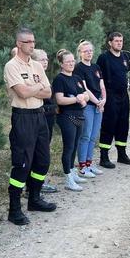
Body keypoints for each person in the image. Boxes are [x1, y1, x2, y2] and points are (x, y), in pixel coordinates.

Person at [3, 28, 56, 225]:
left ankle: (34, 198)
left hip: (40, 115)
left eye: (33, 41)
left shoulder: (37, 65)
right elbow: (22, 93)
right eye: (27, 42)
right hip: (22, 117)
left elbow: (48, 92)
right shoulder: (12, 66)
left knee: (42, 161)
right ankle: (14, 209)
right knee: (22, 164)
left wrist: (33, 90)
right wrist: (37, 89)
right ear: (19, 44)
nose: (32, 45)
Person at [96, 32, 130, 168]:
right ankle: (104, 156)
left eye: (121, 41)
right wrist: (103, 97)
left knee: (123, 125)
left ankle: (122, 154)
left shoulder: (124, 57)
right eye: (116, 41)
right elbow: (98, 79)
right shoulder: (104, 58)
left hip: (123, 95)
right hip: (110, 95)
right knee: (109, 125)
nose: (119, 43)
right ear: (110, 43)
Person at [53, 49, 89, 191]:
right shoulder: (59, 79)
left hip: (79, 115)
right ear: (61, 64)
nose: (71, 63)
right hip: (66, 116)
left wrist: (83, 98)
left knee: (75, 145)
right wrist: (76, 99)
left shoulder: (77, 77)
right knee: (68, 147)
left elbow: (85, 93)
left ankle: (73, 172)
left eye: (73, 61)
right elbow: (60, 100)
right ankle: (67, 177)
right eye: (67, 61)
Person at [74, 41, 106, 178]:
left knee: (93, 136)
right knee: (85, 135)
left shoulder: (96, 67)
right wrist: (97, 101)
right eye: (85, 51)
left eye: (90, 51)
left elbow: (102, 85)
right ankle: (82, 166)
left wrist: (104, 100)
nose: (88, 53)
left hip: (99, 105)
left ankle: (89, 163)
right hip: (88, 105)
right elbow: (85, 88)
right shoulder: (78, 68)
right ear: (80, 53)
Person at [30, 49, 58, 193]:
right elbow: (35, 94)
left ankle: (39, 181)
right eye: (42, 59)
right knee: (37, 152)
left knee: (44, 151)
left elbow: (48, 94)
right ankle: (33, 186)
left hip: (49, 117)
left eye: (46, 59)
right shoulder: (32, 77)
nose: (46, 62)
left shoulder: (44, 76)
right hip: (39, 117)